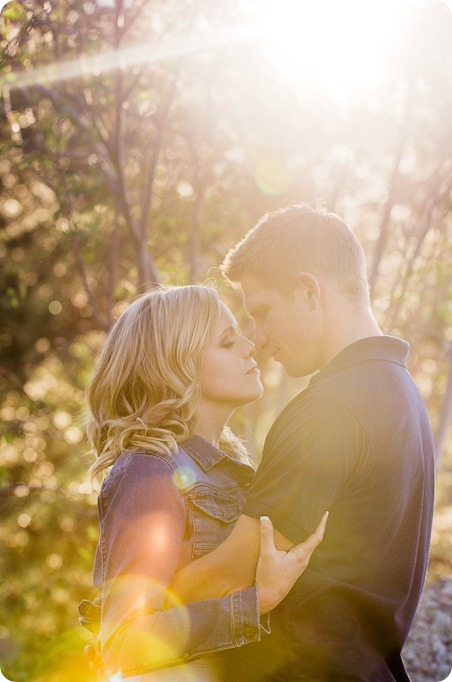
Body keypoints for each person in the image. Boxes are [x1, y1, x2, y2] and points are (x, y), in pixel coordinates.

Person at [171, 206, 435, 681]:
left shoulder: (330, 410)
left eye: (263, 312)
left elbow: (230, 577)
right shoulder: (402, 392)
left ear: (310, 290)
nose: (261, 339)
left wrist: (133, 608)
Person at [79, 284, 327, 681]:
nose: (251, 345)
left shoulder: (233, 470)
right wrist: (256, 601)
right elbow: (124, 642)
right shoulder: (150, 471)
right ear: (176, 365)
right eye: (228, 343)